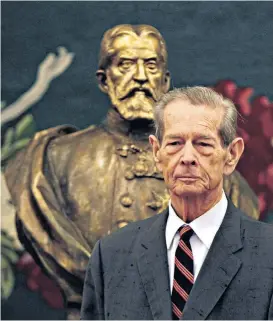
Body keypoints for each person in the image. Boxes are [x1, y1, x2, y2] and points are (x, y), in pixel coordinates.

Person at [4, 25, 259, 316]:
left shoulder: (219, 178)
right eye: (124, 64)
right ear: (103, 79)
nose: (139, 77)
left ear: (165, 81)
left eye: (151, 65)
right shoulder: (50, 160)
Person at [80, 86, 273, 320]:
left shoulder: (267, 253)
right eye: (175, 143)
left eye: (203, 144)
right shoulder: (111, 256)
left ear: (231, 154)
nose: (188, 157)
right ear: (156, 152)